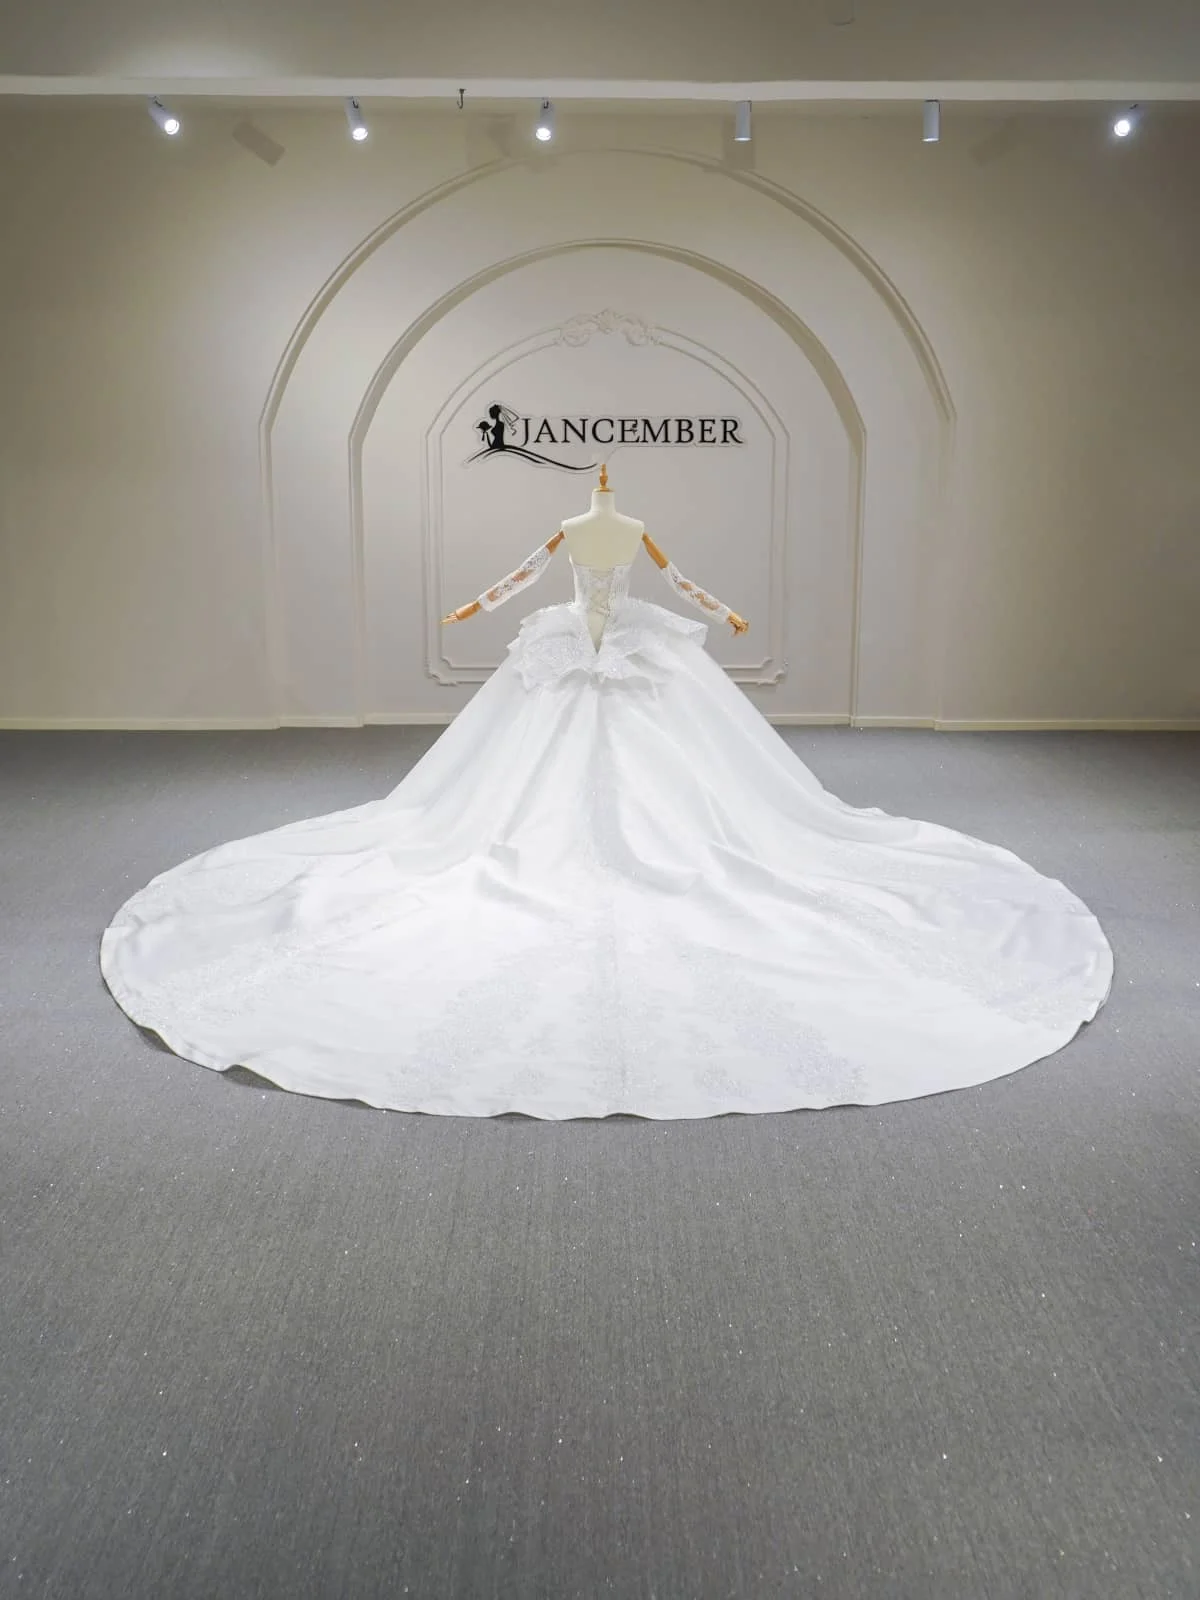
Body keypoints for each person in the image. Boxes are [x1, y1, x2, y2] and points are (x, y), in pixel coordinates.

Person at [101, 470, 1112, 1119]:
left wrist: (726, 615)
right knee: (521, 775)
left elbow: (679, 580)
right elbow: (522, 574)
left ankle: (657, 850)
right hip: (565, 643)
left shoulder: (628, 528)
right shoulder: (569, 525)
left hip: (624, 641)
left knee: (674, 778)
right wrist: (474, 605)